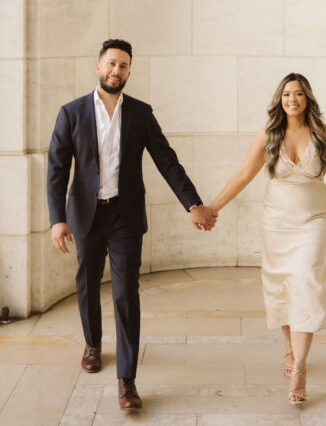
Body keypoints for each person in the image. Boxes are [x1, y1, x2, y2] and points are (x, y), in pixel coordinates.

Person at [47, 38, 217, 412]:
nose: (116, 71)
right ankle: (93, 344)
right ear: (98, 67)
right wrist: (57, 219)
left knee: (126, 294)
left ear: (129, 71)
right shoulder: (71, 113)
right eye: (111, 64)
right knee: (88, 283)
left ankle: (127, 380)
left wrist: (193, 203)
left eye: (123, 66)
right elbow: (57, 170)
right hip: (86, 215)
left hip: (125, 216)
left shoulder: (140, 113)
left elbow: (166, 160)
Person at [207, 72, 326, 404]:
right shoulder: (269, 134)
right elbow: (243, 174)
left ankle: (299, 367)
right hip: (277, 223)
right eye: (286, 94)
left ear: (307, 98)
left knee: (306, 278)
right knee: (281, 285)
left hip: (315, 221)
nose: (292, 99)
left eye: (297, 94)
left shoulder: (324, 134)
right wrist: (213, 207)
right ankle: (289, 346)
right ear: (279, 100)